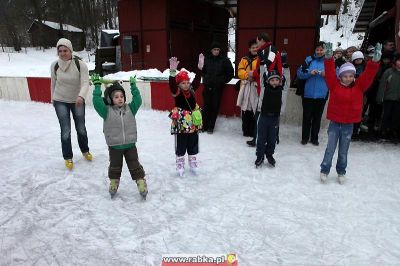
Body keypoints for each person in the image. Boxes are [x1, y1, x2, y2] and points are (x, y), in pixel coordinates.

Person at [320, 43, 381, 184]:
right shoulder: (334, 85)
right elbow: (329, 73)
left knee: (343, 150)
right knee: (330, 149)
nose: (348, 78)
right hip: (335, 123)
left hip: (348, 125)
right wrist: (329, 59)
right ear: (340, 76)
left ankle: (341, 171)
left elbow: (368, 75)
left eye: (351, 76)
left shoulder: (360, 86)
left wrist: (374, 62)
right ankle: (324, 169)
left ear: (354, 76)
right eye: (345, 76)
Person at [92, 75, 148, 199]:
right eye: (116, 97)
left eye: (121, 96)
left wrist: (133, 86)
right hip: (114, 146)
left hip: (130, 145)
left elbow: (138, 100)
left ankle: (141, 181)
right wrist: (97, 87)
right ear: (110, 99)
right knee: (115, 166)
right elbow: (96, 103)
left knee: (135, 164)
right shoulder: (106, 111)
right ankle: (114, 182)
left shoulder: (130, 109)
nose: (120, 99)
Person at [51, 38, 92, 170]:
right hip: (60, 100)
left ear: (70, 50)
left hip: (77, 100)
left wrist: (81, 96)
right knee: (65, 130)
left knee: (81, 128)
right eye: (60, 51)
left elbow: (85, 82)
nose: (63, 53)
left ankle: (85, 150)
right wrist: (53, 99)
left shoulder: (80, 64)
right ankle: (68, 157)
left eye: (65, 50)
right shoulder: (54, 65)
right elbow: (53, 82)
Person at [246, 32, 283, 147]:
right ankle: (273, 137)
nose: (257, 45)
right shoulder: (269, 49)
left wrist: (254, 73)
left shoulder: (269, 50)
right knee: (270, 112)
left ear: (261, 40)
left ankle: (258, 139)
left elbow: (267, 67)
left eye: (257, 42)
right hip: (270, 86)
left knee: (261, 113)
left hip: (267, 87)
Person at [169, 56, 203, 176]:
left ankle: (193, 162)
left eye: (187, 82)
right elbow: (172, 85)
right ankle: (180, 163)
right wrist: (172, 72)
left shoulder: (192, 90)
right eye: (183, 83)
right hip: (182, 121)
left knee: (193, 141)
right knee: (182, 142)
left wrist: (199, 68)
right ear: (179, 84)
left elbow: (197, 81)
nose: (186, 85)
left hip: (192, 121)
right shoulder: (177, 92)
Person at [297, 41, 328, 146]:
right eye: (317, 49)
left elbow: (337, 76)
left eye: (321, 49)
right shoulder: (308, 59)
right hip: (308, 94)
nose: (319, 52)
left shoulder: (329, 61)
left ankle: (314, 138)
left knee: (317, 118)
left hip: (321, 95)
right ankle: (305, 138)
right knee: (306, 117)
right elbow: (299, 73)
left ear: (325, 50)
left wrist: (326, 74)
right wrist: (310, 73)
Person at [201, 42, 234, 134]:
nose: (216, 51)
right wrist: (206, 78)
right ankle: (204, 126)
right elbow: (202, 70)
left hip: (218, 87)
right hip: (207, 85)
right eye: (214, 49)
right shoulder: (206, 59)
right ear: (211, 50)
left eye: (218, 50)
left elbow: (231, 73)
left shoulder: (224, 60)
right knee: (206, 106)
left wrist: (223, 81)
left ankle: (211, 127)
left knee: (214, 107)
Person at [254, 70, 283, 168]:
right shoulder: (264, 89)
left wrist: (286, 68)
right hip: (263, 117)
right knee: (261, 138)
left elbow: (287, 79)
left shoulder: (282, 90)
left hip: (274, 119)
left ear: (280, 81)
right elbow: (262, 74)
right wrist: (262, 63)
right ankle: (260, 156)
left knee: (272, 139)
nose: (275, 82)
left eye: (276, 80)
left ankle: (269, 155)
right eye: (272, 80)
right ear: (268, 81)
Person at [366, 50, 394, 138]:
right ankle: (371, 124)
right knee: (373, 107)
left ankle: (379, 124)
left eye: (388, 59)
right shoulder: (379, 65)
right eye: (385, 59)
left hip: (386, 90)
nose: (386, 61)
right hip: (375, 89)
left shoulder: (391, 68)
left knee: (381, 109)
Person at [236, 39, 259, 137]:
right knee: (245, 109)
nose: (255, 49)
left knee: (255, 108)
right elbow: (239, 71)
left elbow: (262, 72)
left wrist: (254, 76)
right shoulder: (244, 59)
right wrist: (247, 76)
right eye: (253, 47)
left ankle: (254, 131)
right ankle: (246, 131)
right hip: (245, 87)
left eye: (256, 47)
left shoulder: (261, 59)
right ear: (249, 49)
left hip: (255, 87)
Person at [376, 52, 400, 141]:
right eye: (399, 61)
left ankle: (394, 130)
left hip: (398, 99)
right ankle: (383, 130)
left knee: (396, 115)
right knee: (386, 114)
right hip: (388, 98)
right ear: (395, 62)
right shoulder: (388, 72)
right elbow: (382, 85)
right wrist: (380, 97)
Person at [350, 50, 367, 139]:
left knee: (359, 111)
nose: (358, 61)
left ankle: (356, 129)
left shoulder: (364, 67)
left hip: (361, 92)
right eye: (356, 60)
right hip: (352, 91)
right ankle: (351, 129)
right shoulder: (351, 67)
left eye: (360, 60)